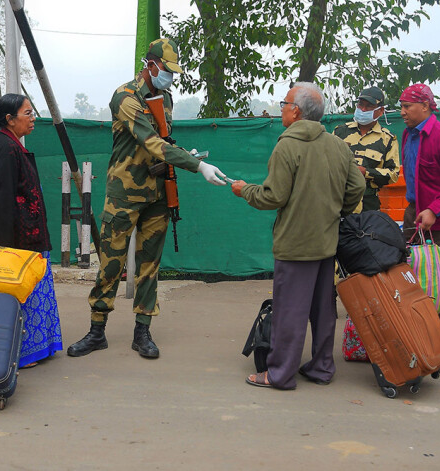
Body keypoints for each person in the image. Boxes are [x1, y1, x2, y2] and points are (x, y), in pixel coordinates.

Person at [66, 38, 227, 360]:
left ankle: (143, 331)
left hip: (156, 192)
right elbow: (151, 142)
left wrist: (183, 156)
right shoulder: (125, 97)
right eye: (167, 70)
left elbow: (164, 140)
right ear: (150, 64)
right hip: (124, 193)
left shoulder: (164, 97)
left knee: (149, 265)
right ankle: (97, 330)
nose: (170, 77)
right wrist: (198, 165)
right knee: (110, 263)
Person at [231, 82, 365, 390]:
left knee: (290, 312)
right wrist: (336, 209)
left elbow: (272, 196)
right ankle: (321, 367)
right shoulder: (337, 145)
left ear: (296, 111)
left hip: (294, 245)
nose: (281, 108)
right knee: (323, 310)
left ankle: (280, 374)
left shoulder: (287, 145)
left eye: (284, 103)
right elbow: (356, 188)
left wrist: (244, 191)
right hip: (326, 241)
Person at [0, 93, 63, 367]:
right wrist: (7, 248)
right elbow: (2, 199)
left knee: (35, 291)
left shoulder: (11, 144)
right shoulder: (6, 147)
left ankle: (38, 348)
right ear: (10, 120)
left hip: (28, 237)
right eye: (27, 113)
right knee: (20, 292)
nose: (32, 117)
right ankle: (22, 353)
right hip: (17, 241)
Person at [399, 83, 440, 333]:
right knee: (407, 272)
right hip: (413, 213)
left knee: (439, 280)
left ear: (425, 106)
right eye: (401, 106)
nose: (402, 111)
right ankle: (413, 332)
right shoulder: (407, 134)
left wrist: (434, 209)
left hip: (439, 220)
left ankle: (437, 340)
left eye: (407, 106)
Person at [333, 86, 399, 212]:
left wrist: (366, 172)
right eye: (360, 105)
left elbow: (393, 174)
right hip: (339, 201)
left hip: (368, 205)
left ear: (380, 111)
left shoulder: (387, 139)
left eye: (369, 106)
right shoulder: (339, 132)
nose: (363, 109)